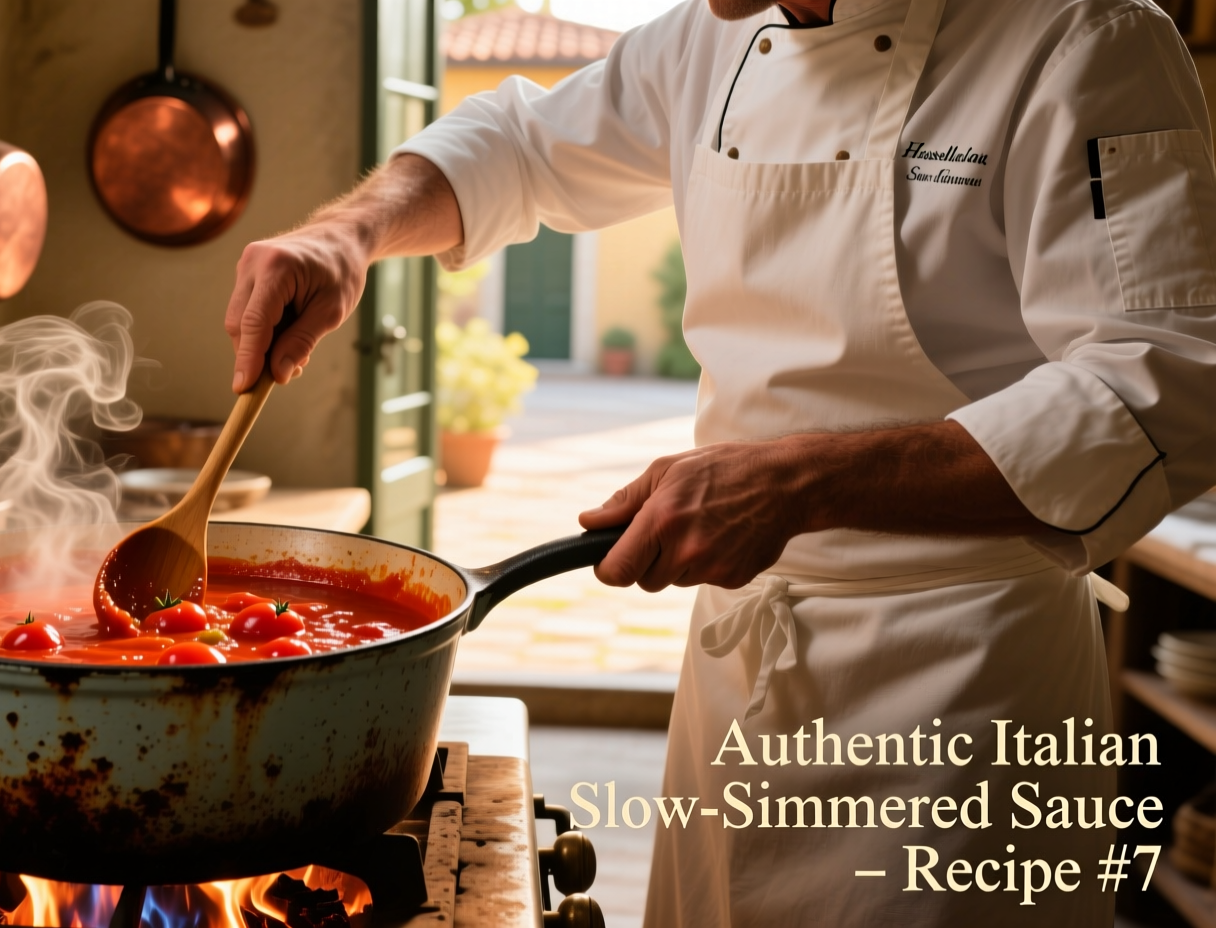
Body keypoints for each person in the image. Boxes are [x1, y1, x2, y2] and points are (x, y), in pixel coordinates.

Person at [225, 0, 1216, 924]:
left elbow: (1168, 384)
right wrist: (345, 231)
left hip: (959, 685)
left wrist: (799, 481)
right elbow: (520, 146)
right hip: (740, 666)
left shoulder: (1082, 38)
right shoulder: (708, 36)